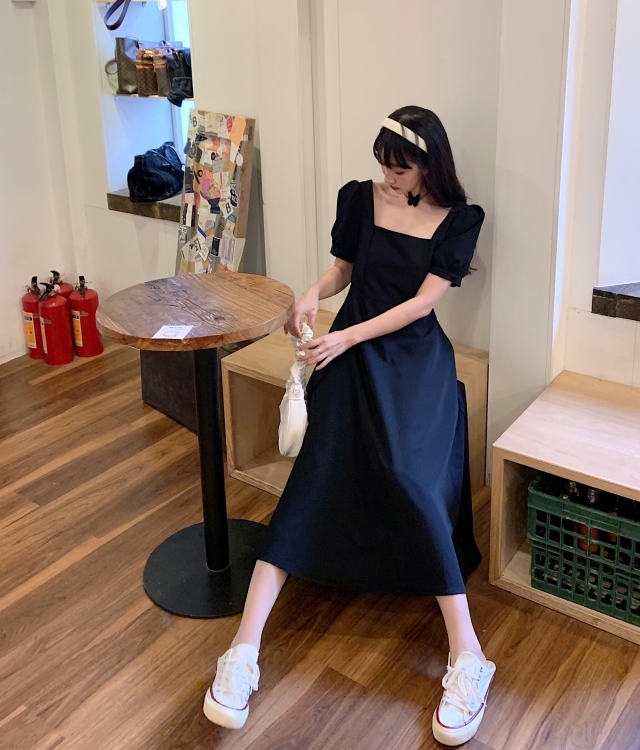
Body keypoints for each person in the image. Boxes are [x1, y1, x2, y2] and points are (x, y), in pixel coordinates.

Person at [203, 105, 495, 747]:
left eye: (401, 168)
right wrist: (313, 292)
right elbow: (344, 271)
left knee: (413, 483)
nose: (388, 178)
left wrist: (348, 336)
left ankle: (470, 656)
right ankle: (243, 650)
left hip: (412, 359)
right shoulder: (359, 199)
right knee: (311, 481)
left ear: (430, 165)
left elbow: (421, 304)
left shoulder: (459, 219)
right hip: (348, 355)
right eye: (383, 165)